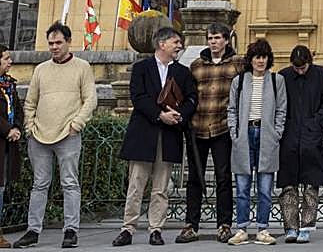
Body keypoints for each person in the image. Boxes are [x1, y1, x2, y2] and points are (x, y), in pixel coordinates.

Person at [114, 26, 198, 247]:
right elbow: (137, 97)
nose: (179, 46)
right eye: (176, 42)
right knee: (136, 184)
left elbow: (192, 98)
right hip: (144, 133)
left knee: (161, 187)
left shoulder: (182, 72)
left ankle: (156, 228)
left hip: (169, 135)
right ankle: (128, 228)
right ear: (162, 44)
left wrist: (179, 115)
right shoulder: (142, 68)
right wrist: (160, 115)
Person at [14, 23, 96, 250]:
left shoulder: (82, 67)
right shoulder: (40, 69)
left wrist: (77, 124)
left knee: (70, 183)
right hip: (39, 136)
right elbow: (30, 101)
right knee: (39, 184)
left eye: (58, 42)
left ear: (68, 42)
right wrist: (30, 126)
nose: (54, 47)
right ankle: (33, 231)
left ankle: (71, 231)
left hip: (68, 135)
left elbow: (90, 99)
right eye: (51, 43)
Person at [178, 23, 242, 244]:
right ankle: (190, 225)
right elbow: (187, 95)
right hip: (198, 127)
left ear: (226, 40)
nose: (213, 42)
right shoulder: (196, 66)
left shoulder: (237, 64)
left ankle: (224, 224)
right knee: (194, 178)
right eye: (210, 38)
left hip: (222, 127)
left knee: (223, 178)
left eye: (217, 38)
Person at [226, 39, 287, 246]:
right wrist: (234, 133)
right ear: (250, 59)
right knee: (242, 187)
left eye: (264, 57)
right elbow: (232, 109)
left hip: (266, 134)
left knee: (264, 187)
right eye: (256, 57)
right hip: (245, 134)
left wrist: (276, 133)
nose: (260, 61)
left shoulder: (276, 80)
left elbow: (281, 110)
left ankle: (263, 228)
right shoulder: (240, 81)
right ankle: (241, 228)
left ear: (269, 59)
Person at [278, 45, 323, 244]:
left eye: (303, 68)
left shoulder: (322, 76)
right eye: (296, 68)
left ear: (309, 62)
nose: (300, 71)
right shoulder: (283, 76)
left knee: (311, 184)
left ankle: (307, 226)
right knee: (288, 185)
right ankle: (290, 227)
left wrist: (318, 122)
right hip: (289, 136)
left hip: (313, 135)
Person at [0, 45, 23, 248]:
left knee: (2, 187)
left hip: (7, 145)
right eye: (6, 58)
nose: (10, 61)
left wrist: (16, 127)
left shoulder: (9, 84)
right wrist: (6, 129)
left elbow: (17, 109)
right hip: (2, 136)